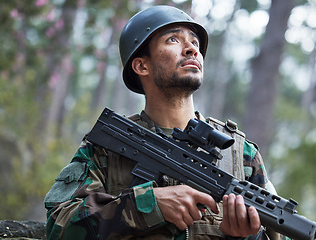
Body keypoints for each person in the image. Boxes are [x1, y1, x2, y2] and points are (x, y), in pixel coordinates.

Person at [44, 5, 282, 240]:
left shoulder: (240, 155)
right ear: (141, 65)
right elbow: (59, 225)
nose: (191, 49)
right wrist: (148, 205)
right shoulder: (109, 145)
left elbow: (280, 234)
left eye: (195, 43)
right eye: (173, 40)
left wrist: (247, 237)